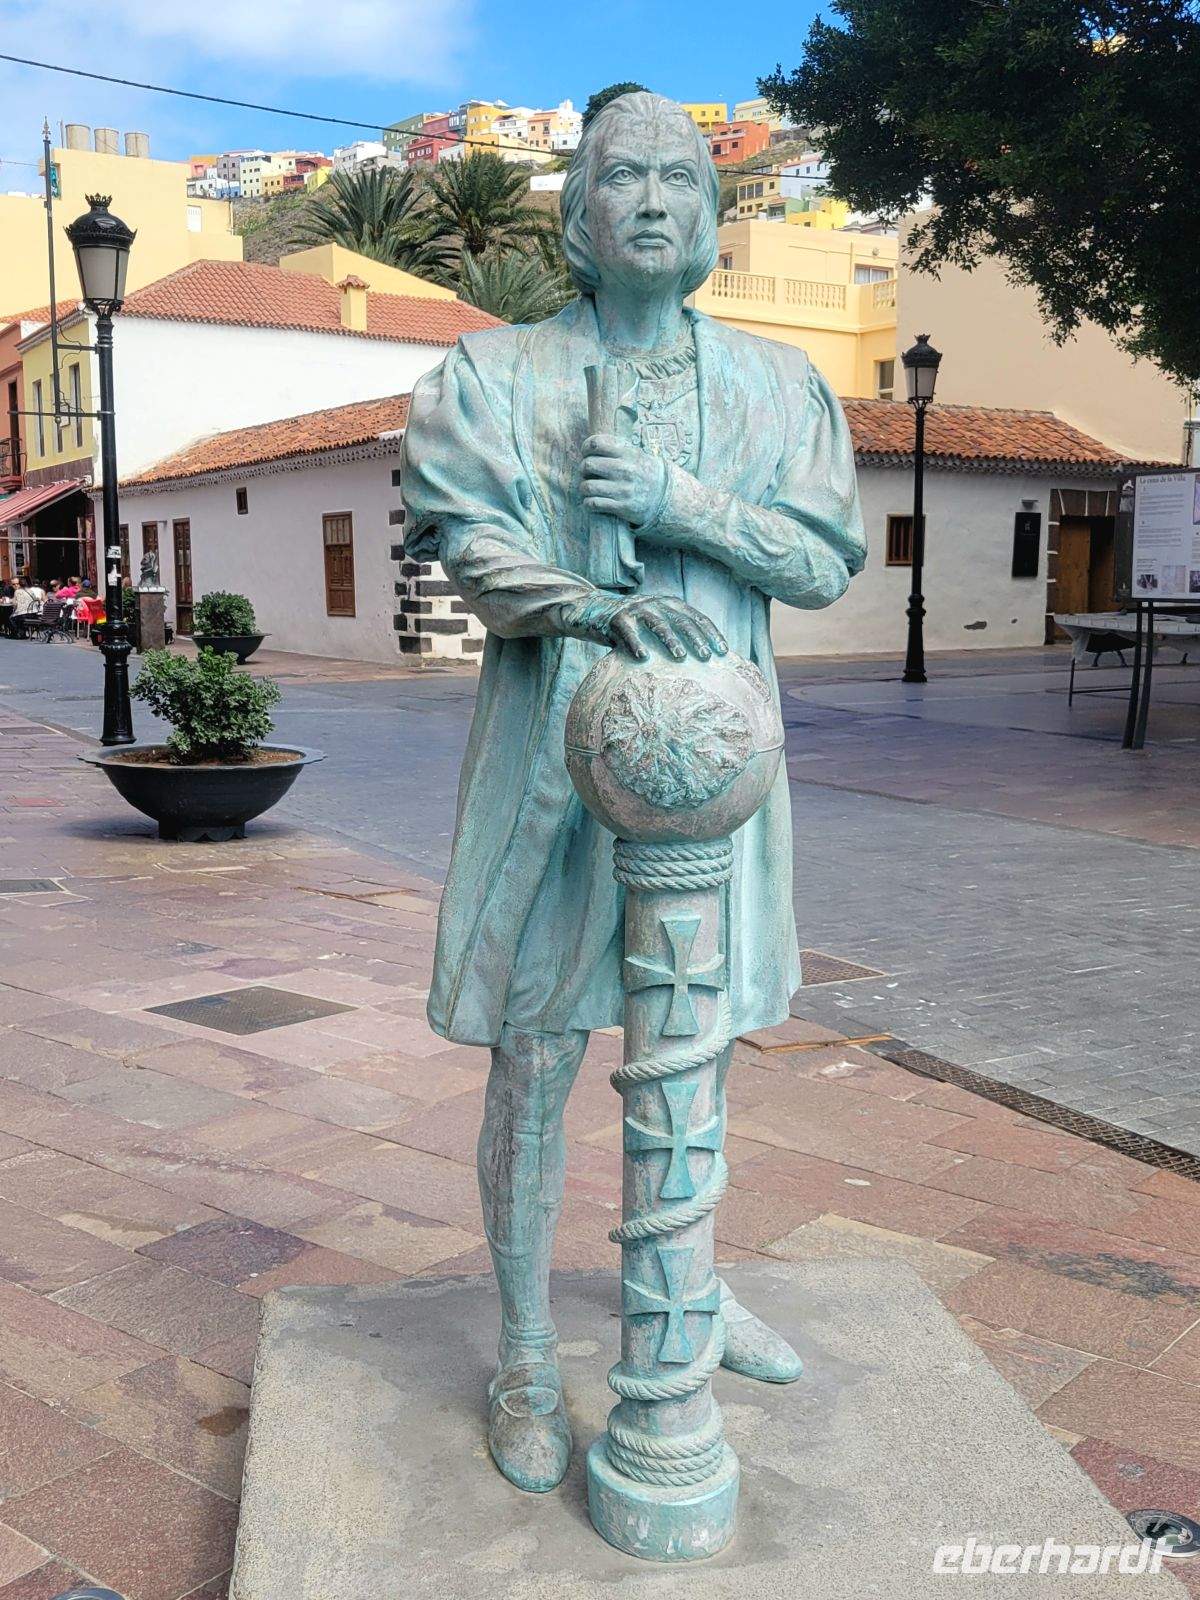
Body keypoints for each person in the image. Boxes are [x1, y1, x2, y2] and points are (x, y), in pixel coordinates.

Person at [401, 92, 865, 1494]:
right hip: (554, 760)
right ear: (578, 218)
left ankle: (692, 1293)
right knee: (536, 1055)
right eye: (622, 177)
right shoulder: (489, 376)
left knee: (697, 1039)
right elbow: (469, 547)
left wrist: (679, 503)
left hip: (716, 775)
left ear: (713, 217)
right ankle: (528, 1349)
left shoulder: (781, 387)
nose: (653, 198)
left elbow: (821, 562)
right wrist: (597, 608)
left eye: (680, 178)